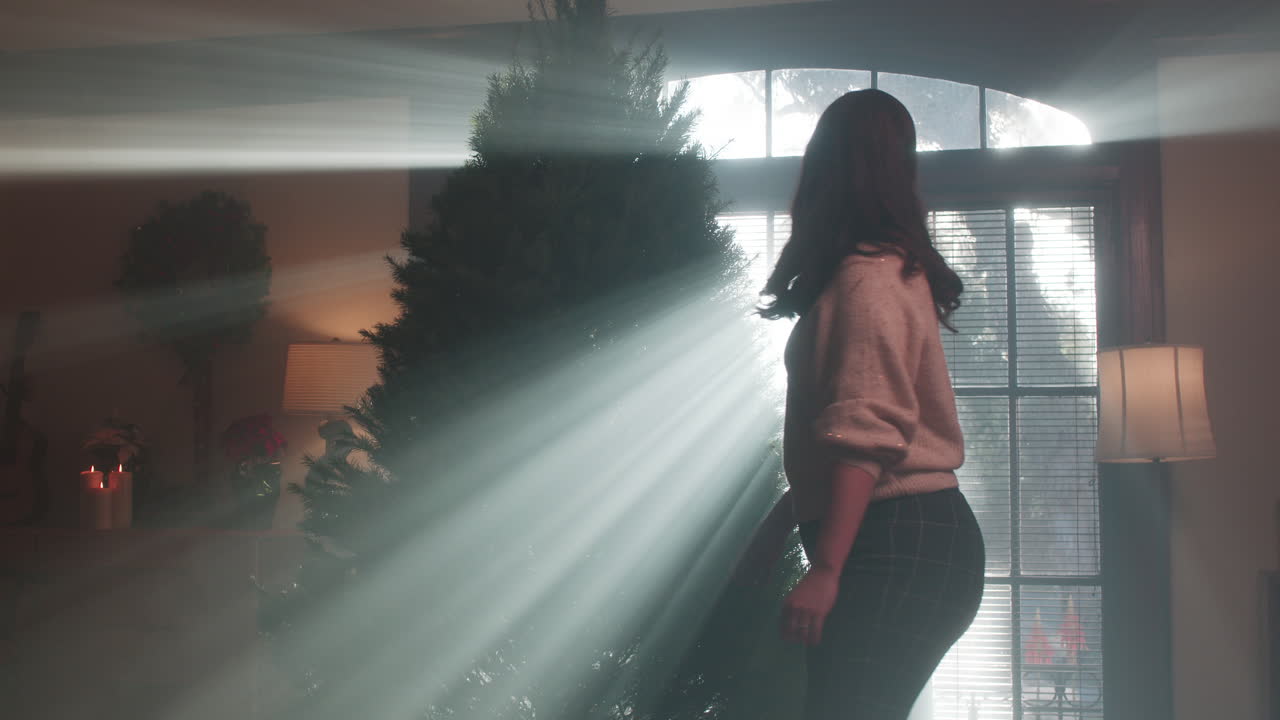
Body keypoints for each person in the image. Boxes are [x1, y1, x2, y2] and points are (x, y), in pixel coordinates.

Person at [742, 89, 986, 719]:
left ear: (828, 168)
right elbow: (849, 433)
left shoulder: (868, 276)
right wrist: (780, 528)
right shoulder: (882, 272)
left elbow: (866, 434)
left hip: (896, 540)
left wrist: (826, 568)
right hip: (906, 539)